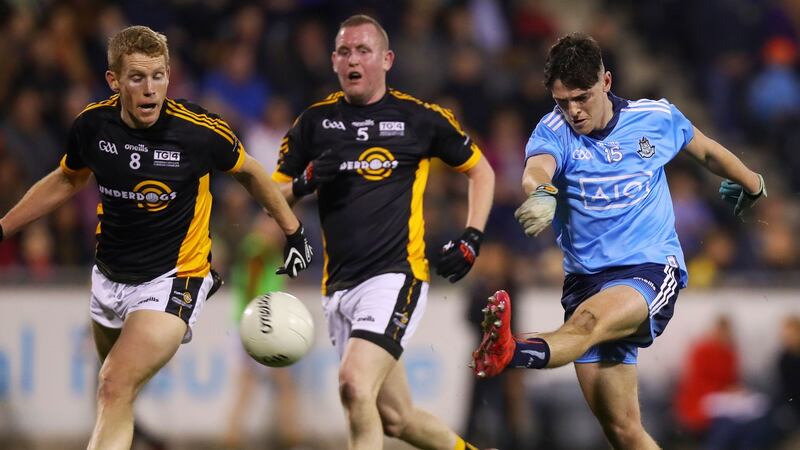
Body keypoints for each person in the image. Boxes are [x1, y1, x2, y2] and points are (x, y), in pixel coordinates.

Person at [0, 25, 312, 450]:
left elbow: (251, 172)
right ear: (114, 80)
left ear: (170, 75)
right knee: (114, 391)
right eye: (137, 78)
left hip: (174, 280)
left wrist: (292, 231)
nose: (150, 90)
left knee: (112, 384)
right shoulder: (93, 126)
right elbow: (66, 179)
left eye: (159, 76)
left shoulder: (199, 132)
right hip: (109, 278)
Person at [471, 33, 766, 449]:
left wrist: (751, 183)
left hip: (649, 269)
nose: (573, 111)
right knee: (624, 432)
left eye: (582, 97)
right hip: (585, 282)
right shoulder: (553, 130)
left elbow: (707, 151)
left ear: (606, 82)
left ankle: (512, 352)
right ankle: (510, 352)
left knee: (586, 324)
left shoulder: (654, 119)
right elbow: (537, 168)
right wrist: (540, 192)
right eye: (562, 101)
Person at [271, 14, 496, 450]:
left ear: (387, 59)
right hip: (338, 287)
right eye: (344, 51)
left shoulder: (420, 118)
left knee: (355, 385)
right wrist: (304, 182)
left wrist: (472, 235)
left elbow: (481, 172)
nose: (353, 59)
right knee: (396, 418)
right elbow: (272, 196)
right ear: (334, 61)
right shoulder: (314, 123)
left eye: (363, 50)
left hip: (396, 276)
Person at [221, 215, 306, 450]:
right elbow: (252, 284)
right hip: (262, 327)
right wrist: (258, 323)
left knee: (246, 387)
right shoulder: (259, 248)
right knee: (285, 386)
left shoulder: (257, 248)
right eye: (275, 226)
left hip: (248, 324)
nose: (280, 232)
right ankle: (292, 439)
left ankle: (231, 437)